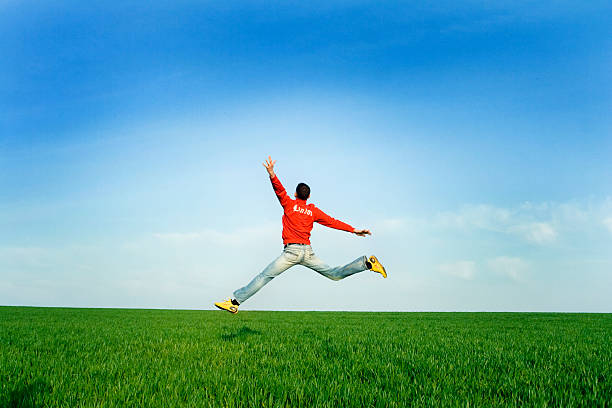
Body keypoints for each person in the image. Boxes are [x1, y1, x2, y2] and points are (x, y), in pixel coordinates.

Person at [214, 156, 386, 314]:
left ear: (296, 194)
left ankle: (234, 303)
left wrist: (272, 173)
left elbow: (279, 190)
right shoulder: (312, 211)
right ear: (309, 196)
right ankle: (365, 263)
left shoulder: (289, 204)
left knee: (264, 276)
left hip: (291, 252)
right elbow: (332, 221)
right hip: (308, 253)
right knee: (335, 274)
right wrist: (354, 229)